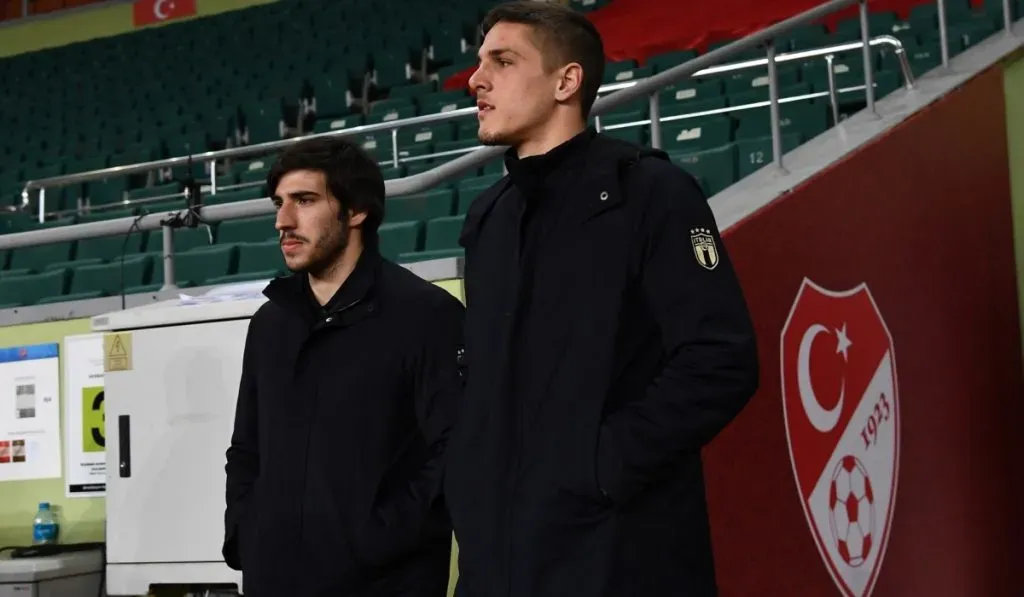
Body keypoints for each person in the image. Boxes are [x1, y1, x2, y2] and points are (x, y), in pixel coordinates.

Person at [444, 2, 760, 597]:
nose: (476, 80)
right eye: (479, 63)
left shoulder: (654, 192)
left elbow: (720, 360)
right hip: (496, 559)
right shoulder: (489, 216)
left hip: (617, 552)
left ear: (567, 81)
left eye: (502, 62)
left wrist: (600, 465)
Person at [222, 136, 465, 597]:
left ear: (357, 211)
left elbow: (455, 452)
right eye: (279, 203)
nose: (282, 221)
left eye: (304, 200)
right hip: (273, 579)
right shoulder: (271, 324)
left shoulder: (426, 315)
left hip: (384, 583)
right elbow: (247, 448)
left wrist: (376, 538)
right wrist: (247, 533)